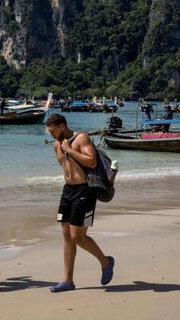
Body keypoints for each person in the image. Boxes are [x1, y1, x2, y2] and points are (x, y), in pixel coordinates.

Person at [46, 113, 113, 293]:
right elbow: (67, 169)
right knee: (66, 234)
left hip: (86, 190)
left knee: (78, 236)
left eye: (53, 131)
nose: (51, 134)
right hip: (68, 191)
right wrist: (64, 149)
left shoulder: (81, 138)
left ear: (62, 126)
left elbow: (92, 162)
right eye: (49, 131)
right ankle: (68, 281)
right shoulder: (56, 145)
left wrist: (70, 150)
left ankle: (106, 262)